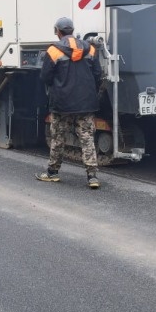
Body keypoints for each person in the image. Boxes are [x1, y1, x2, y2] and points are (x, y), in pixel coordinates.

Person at [37, 17, 103, 189]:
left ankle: (52, 173)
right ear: (72, 30)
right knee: (87, 138)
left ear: (57, 31)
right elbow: (98, 74)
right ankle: (92, 177)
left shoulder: (53, 50)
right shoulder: (90, 49)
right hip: (86, 103)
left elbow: (45, 77)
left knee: (58, 138)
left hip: (62, 104)